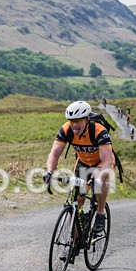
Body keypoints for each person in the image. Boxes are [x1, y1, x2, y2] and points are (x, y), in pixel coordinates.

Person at [43, 101, 114, 260]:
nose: (74, 125)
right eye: (71, 121)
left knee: (98, 180)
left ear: (87, 119)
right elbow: (54, 154)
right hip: (82, 164)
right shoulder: (66, 130)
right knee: (76, 201)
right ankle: (73, 243)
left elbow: (108, 162)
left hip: (102, 163)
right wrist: (49, 172)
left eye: (78, 121)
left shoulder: (99, 131)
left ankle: (100, 213)